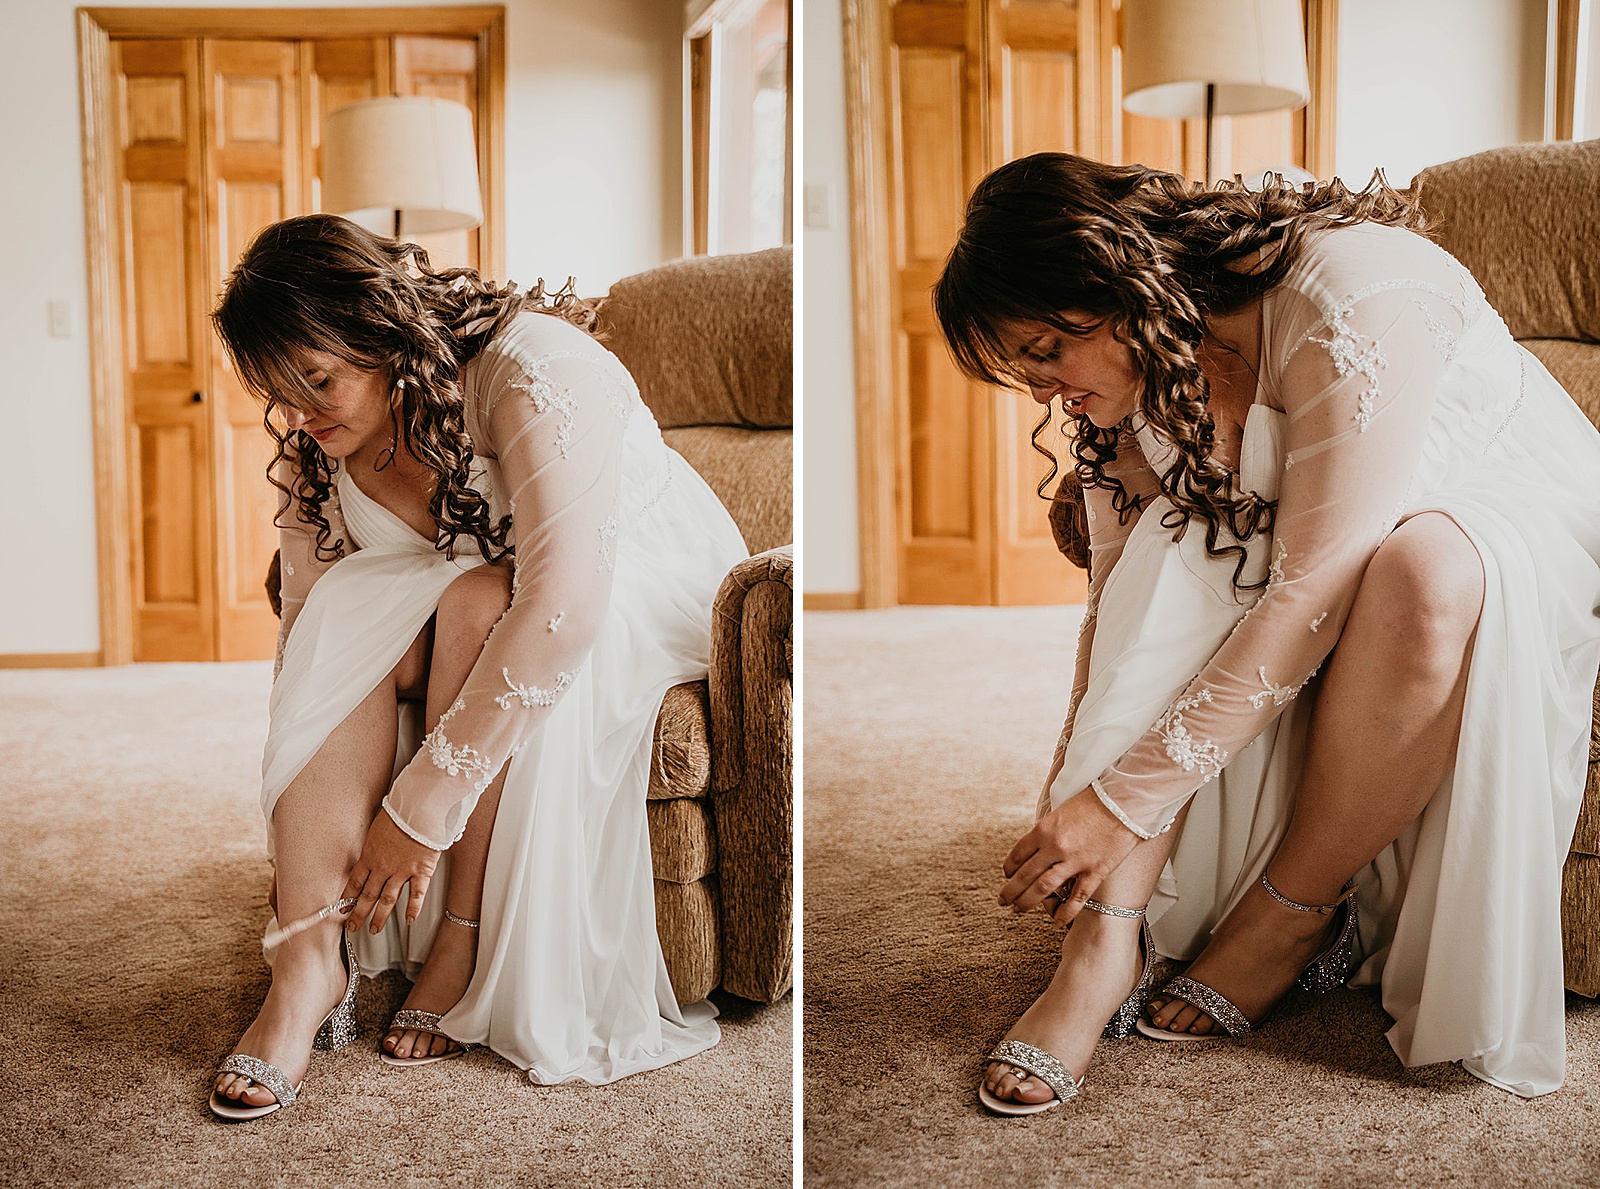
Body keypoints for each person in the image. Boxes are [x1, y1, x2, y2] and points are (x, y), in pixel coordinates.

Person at [933, 152, 1600, 1114]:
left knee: (1423, 572)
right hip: (1322, 548)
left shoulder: (1350, 298)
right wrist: (1073, 784)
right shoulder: (1142, 376)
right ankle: (1100, 945)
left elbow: (1312, 594)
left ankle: (1292, 912)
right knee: (1176, 536)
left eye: (1044, 352)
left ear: (1117, 288)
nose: (1042, 392)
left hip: (1511, 501)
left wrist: (1120, 805)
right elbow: (1115, 600)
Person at [206, 214, 747, 1119]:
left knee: (476, 603)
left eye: (319, 379)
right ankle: (304, 963)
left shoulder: (530, 366)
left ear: (380, 331)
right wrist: (292, 820)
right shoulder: (315, 435)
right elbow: (303, 629)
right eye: (279, 392)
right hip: (467, 591)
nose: (300, 415)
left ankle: (462, 930)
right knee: (342, 610)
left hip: (625, 580)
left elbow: (562, 605)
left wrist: (419, 808)